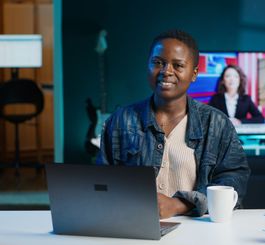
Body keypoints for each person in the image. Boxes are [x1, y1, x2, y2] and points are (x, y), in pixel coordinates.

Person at [96, 30, 250, 219]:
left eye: (177, 65)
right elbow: (101, 183)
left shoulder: (217, 123)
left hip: (198, 232)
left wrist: (180, 205)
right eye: (158, 62)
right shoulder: (120, 121)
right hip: (135, 228)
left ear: (194, 74)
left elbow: (234, 180)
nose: (166, 71)